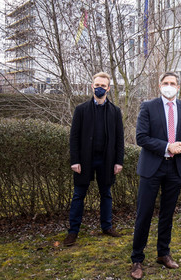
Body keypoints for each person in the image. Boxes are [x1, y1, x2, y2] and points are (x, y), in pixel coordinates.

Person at [130, 72, 181, 279]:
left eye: (173, 83)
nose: (169, 86)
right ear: (160, 85)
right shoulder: (148, 106)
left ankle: (163, 253)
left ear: (179, 86)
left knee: (167, 214)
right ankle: (137, 259)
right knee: (144, 214)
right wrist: (167, 146)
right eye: (166, 83)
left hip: (175, 168)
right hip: (152, 168)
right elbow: (141, 137)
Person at [64, 72, 124, 247]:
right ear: (92, 86)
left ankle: (107, 227)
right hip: (84, 161)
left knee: (106, 194)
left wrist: (118, 161)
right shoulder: (81, 110)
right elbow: (74, 137)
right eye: (97, 84)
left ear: (108, 88)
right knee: (78, 195)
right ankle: (73, 231)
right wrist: (74, 160)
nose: (99, 88)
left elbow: (119, 139)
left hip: (106, 160)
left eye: (103, 85)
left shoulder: (115, 111)